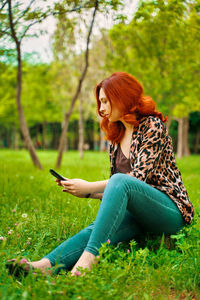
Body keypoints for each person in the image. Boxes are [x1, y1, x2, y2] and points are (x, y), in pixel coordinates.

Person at [6, 72, 194, 277]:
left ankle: (88, 261)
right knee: (96, 229)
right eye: (100, 102)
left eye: (105, 101)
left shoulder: (152, 126)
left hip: (169, 211)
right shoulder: (116, 136)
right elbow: (118, 192)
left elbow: (134, 179)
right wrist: (86, 193)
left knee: (120, 180)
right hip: (138, 213)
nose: (101, 108)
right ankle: (44, 266)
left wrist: (89, 185)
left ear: (122, 97)